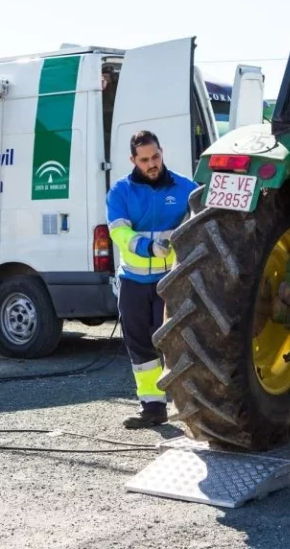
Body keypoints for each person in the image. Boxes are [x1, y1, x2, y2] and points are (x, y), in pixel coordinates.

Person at [106, 130, 198, 428]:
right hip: (133, 282)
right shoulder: (120, 192)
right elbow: (119, 233)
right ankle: (153, 408)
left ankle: (193, 406)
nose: (151, 164)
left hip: (169, 282)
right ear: (133, 160)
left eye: (155, 156)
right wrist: (149, 247)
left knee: (175, 343)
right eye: (144, 159)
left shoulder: (187, 188)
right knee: (140, 346)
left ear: (162, 152)